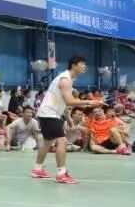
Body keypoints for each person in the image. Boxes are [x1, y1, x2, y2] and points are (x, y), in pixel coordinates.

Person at [31, 55, 102, 184]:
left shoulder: (68, 79)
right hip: (49, 113)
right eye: (82, 64)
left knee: (48, 142)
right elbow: (69, 101)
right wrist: (89, 102)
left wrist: (68, 117)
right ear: (74, 65)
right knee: (62, 141)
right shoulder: (65, 80)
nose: (84, 67)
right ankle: (61, 174)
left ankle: (37, 169)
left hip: (51, 113)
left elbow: (62, 101)